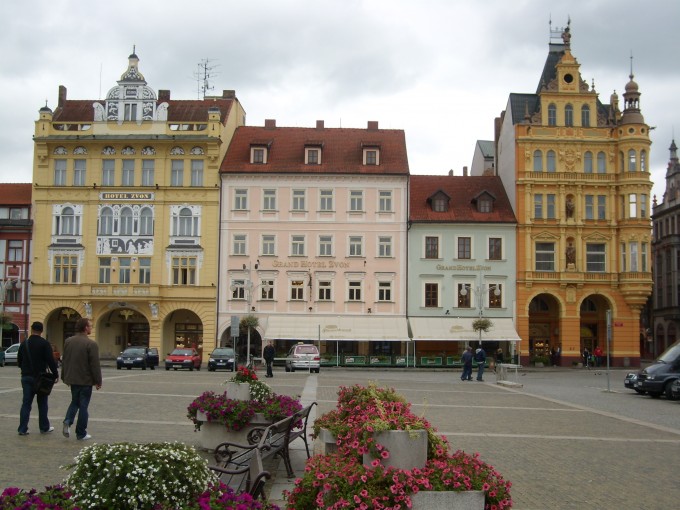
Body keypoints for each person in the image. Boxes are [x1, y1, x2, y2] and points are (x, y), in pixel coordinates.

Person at [62, 317, 102, 440]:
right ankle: (81, 432)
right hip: (85, 379)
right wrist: (98, 380)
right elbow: (94, 364)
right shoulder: (91, 344)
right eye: (90, 326)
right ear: (85, 328)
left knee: (75, 401)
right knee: (83, 405)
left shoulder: (68, 341)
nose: (91, 328)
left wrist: (64, 376)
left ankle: (68, 421)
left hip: (72, 378)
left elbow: (65, 360)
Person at [17, 322, 59, 436]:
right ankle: (44, 427)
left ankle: (22, 428)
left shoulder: (24, 343)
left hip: (26, 377)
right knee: (42, 403)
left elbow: (19, 360)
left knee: (26, 403)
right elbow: (51, 361)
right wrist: (55, 375)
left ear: (31, 329)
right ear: (41, 331)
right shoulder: (44, 344)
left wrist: (25, 369)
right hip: (41, 378)